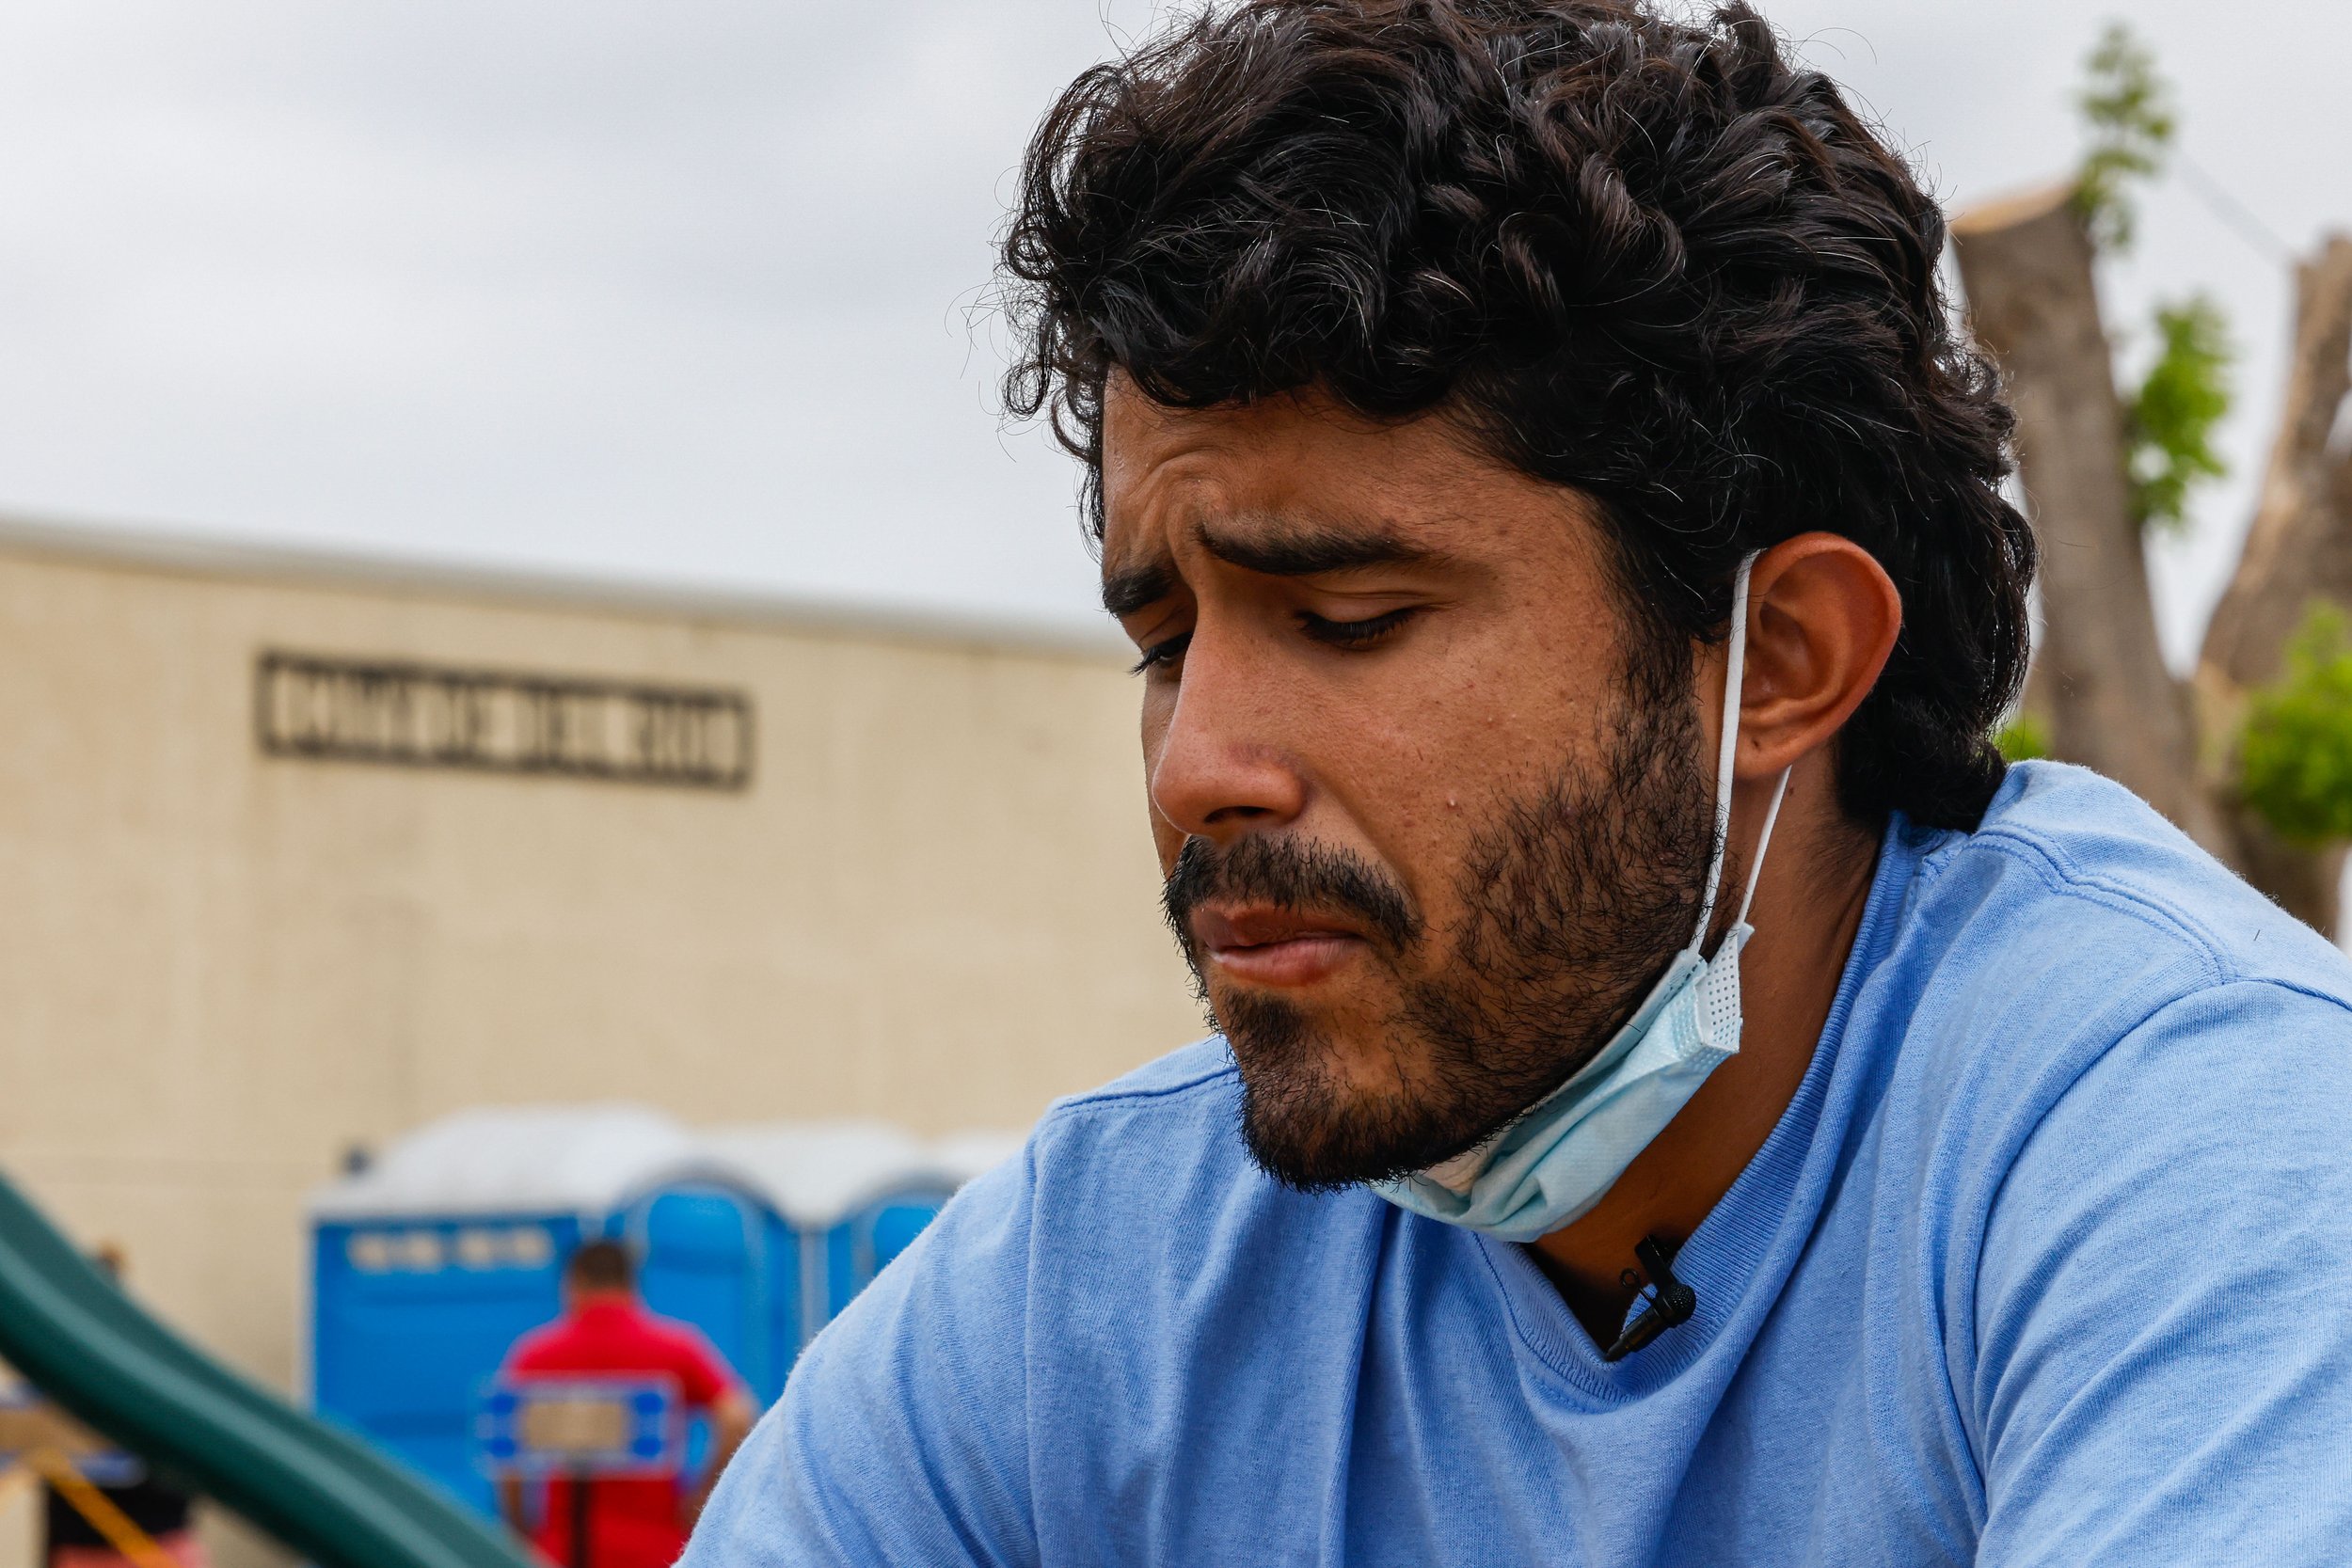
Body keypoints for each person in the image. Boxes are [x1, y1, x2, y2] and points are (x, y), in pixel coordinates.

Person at [685, 2, 2352, 1563]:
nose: (1200, 769)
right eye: (1167, 640)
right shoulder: (1105, 1275)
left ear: (1781, 661)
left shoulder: (2205, 1146)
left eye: (1352, 618)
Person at [500, 1240, 753, 1568]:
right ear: (631, 1283)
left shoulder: (534, 1355)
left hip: (564, 1550)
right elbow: (736, 1415)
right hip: (656, 1548)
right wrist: (701, 1499)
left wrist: (522, 1528)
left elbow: (509, 1458)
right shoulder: (676, 1347)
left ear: (574, 1283)